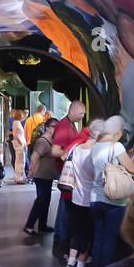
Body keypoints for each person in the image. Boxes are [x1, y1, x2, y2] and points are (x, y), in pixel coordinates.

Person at [88, 115, 134, 267]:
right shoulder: (116, 146)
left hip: (95, 199)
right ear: (117, 132)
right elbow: (131, 168)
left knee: (98, 237)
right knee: (110, 239)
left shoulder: (95, 146)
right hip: (113, 200)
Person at [62, 117, 103, 267]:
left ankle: (70, 261)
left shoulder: (76, 148)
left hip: (74, 196)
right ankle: (80, 263)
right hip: (90, 198)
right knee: (88, 232)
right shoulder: (97, 152)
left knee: (76, 229)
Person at [50, 101, 89, 258]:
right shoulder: (63, 126)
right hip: (65, 172)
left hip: (67, 172)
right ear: (72, 111)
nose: (82, 117)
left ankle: (60, 237)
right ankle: (62, 240)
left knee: (64, 206)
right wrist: (71, 154)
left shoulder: (71, 125)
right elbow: (54, 151)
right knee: (66, 207)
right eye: (81, 114)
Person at [23, 118, 59, 235]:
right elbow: (34, 157)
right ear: (47, 127)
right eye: (53, 126)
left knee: (46, 201)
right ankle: (29, 226)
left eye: (57, 127)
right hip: (41, 175)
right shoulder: (42, 142)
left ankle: (42, 225)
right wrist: (31, 171)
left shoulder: (52, 140)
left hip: (48, 176)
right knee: (41, 200)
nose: (55, 129)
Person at [10, 110, 28, 184]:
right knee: (21, 161)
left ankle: (17, 177)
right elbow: (15, 134)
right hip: (20, 144)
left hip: (19, 144)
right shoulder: (17, 123)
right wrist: (21, 143)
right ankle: (19, 178)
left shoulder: (15, 122)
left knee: (18, 160)